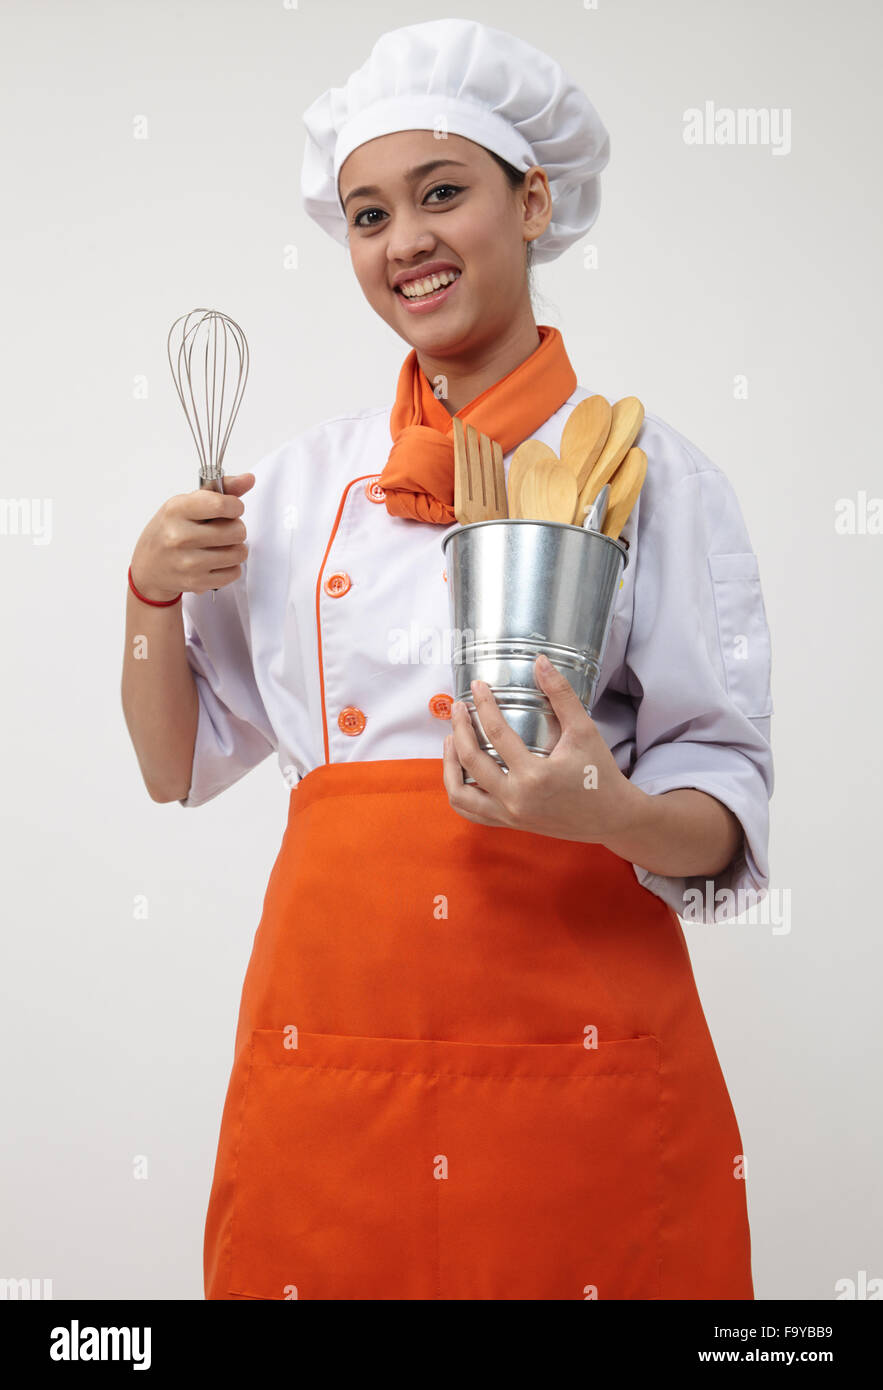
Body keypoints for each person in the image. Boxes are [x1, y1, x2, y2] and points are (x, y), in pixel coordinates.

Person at [121, 18, 774, 1301]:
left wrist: (612, 813)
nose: (403, 239)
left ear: (532, 201)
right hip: (333, 1049)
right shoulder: (300, 486)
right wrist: (150, 586)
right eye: (368, 214)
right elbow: (173, 765)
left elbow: (725, 812)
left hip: (574, 1051)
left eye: (441, 192)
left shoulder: (652, 479)